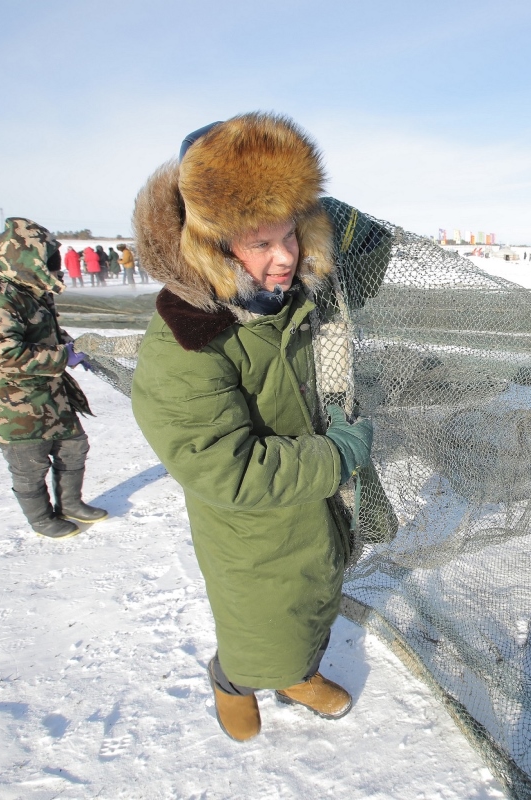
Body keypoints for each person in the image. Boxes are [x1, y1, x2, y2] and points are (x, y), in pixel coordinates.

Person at [131, 112, 375, 741]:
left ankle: (298, 674)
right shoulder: (186, 339)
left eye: (292, 235)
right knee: (262, 628)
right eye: (261, 243)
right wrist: (336, 456)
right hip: (254, 534)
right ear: (212, 245)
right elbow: (226, 469)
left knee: (315, 604)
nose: (285, 258)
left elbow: (366, 253)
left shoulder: (298, 298)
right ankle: (233, 680)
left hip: (316, 512)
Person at [0, 218, 107, 538]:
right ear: (26, 259)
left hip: (46, 391)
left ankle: (71, 504)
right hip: (8, 401)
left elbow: (46, 330)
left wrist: (73, 347)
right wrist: (64, 356)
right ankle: (41, 519)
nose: (54, 268)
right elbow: (1, 355)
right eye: (48, 261)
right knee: (30, 464)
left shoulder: (30, 286)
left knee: (73, 446)